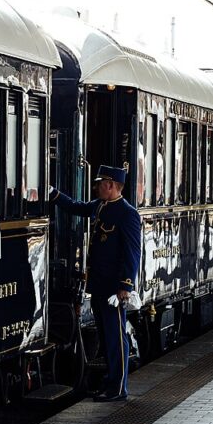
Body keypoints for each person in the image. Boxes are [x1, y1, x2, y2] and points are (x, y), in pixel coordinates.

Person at [50, 165, 141, 402]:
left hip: (113, 287)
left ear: (111, 185)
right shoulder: (101, 206)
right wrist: (54, 194)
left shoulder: (127, 213)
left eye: (100, 182)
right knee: (105, 333)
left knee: (115, 337)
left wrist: (125, 286)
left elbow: (133, 252)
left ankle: (118, 388)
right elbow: (76, 207)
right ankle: (111, 382)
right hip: (99, 284)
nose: (96, 186)